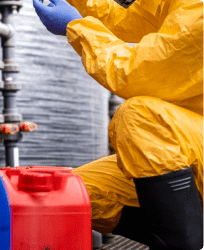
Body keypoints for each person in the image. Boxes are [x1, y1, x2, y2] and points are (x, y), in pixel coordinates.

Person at [32, 0, 204, 249]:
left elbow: (133, 74)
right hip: (192, 143)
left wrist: (76, 26)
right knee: (74, 194)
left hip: (192, 142)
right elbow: (128, 18)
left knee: (141, 117)